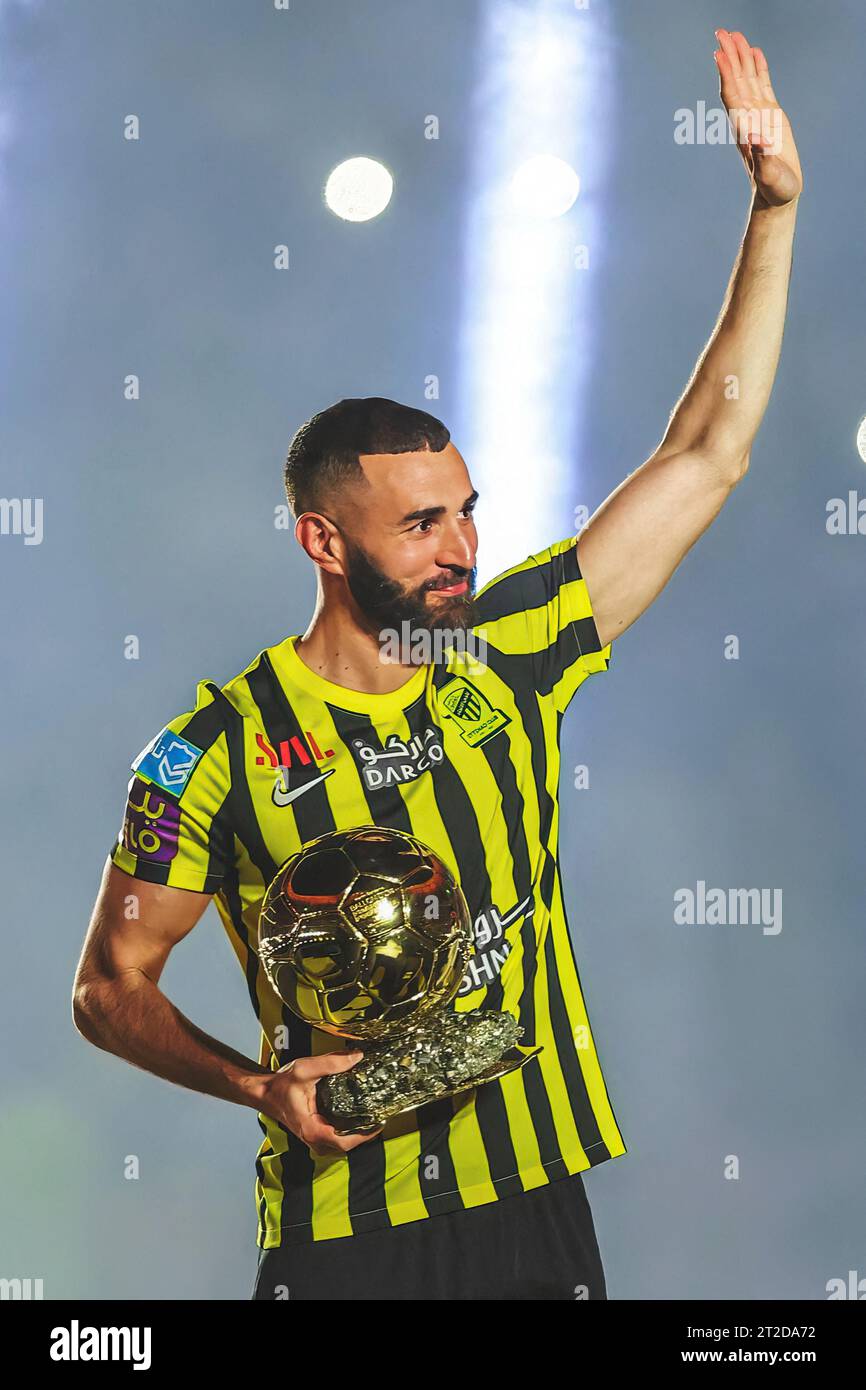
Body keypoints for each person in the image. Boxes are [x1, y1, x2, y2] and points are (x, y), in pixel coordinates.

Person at [72, 29, 801, 1300]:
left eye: (465, 510)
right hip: (349, 1233)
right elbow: (107, 986)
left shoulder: (509, 649)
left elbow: (706, 453)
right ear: (319, 537)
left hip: (536, 1202)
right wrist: (255, 1086)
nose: (461, 546)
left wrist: (773, 209)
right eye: (421, 524)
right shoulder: (209, 749)